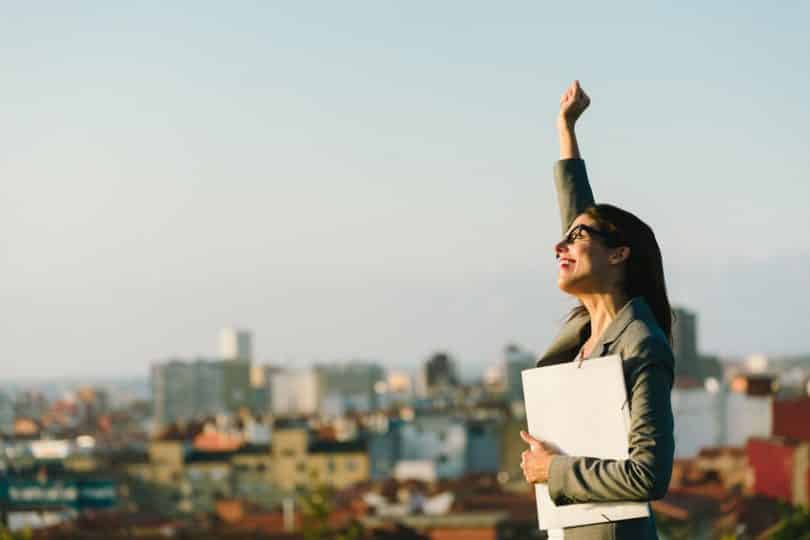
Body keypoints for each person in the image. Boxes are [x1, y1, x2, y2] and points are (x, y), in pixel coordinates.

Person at [517, 81, 676, 540]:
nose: (559, 245)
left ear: (619, 254)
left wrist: (554, 470)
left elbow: (649, 475)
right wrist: (565, 130)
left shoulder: (641, 344)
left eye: (577, 238)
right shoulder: (589, 331)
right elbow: (581, 214)